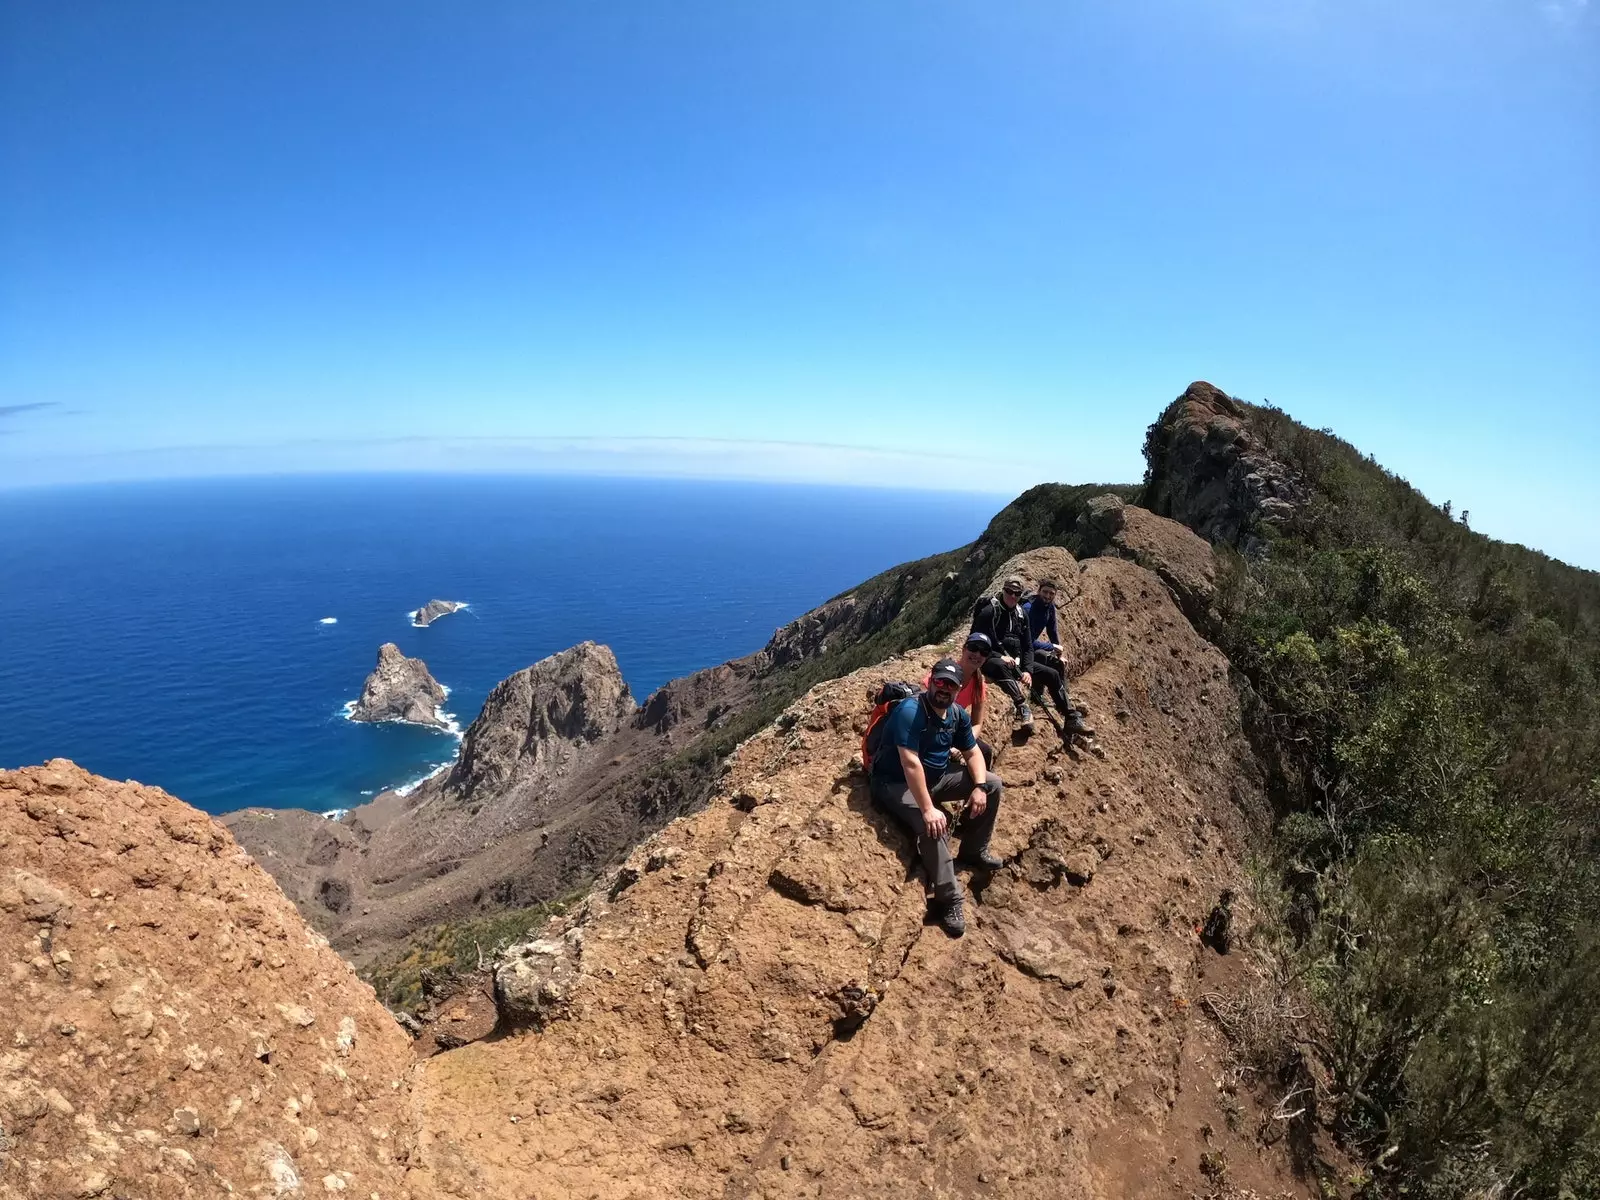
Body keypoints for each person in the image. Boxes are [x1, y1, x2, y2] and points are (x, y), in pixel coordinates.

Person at [870, 657, 1004, 937]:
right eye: (940, 682)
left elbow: (972, 752)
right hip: (894, 783)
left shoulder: (956, 714)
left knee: (992, 785)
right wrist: (929, 808)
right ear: (931, 682)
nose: (944, 689)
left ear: (958, 689)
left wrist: (978, 786)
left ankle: (974, 850)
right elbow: (910, 763)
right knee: (933, 826)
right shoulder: (910, 711)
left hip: (937, 778)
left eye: (951, 685)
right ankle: (949, 898)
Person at [1024, 578, 1093, 738]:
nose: (1047, 596)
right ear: (1038, 591)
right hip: (1023, 652)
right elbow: (1025, 641)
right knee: (1051, 672)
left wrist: (1058, 653)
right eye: (1045, 592)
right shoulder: (1028, 609)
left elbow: (1052, 632)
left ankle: (1065, 703)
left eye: (1051, 594)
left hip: (1031, 650)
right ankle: (1070, 715)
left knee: (1057, 664)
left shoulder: (1050, 609)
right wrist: (1052, 647)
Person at [970, 576, 1036, 732]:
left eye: (1017, 593)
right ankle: (1022, 706)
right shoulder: (989, 612)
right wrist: (999, 657)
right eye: (1009, 591)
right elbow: (975, 641)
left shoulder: (1021, 615)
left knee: (1051, 673)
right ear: (1003, 590)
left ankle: (1071, 716)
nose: (1012, 596)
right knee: (1001, 666)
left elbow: (1028, 645)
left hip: (1016, 662)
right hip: (990, 658)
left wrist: (1028, 670)